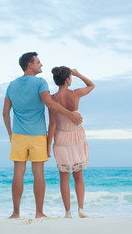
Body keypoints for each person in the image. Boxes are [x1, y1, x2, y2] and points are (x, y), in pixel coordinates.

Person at [3, 52, 83, 219]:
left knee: (18, 172)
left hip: (18, 134)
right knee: (38, 173)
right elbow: (50, 104)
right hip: (38, 134)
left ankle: (15, 213)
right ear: (30, 65)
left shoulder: (12, 85)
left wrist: (10, 134)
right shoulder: (40, 83)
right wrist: (71, 114)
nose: (41, 65)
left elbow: (5, 113)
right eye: (38, 62)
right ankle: (39, 213)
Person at [47, 66, 95, 218]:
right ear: (68, 80)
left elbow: (52, 124)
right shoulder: (75, 94)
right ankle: (81, 209)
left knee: (64, 177)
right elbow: (92, 85)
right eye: (71, 77)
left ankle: (68, 212)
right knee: (78, 176)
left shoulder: (52, 99)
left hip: (61, 138)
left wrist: (48, 146)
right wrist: (79, 73)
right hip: (76, 137)